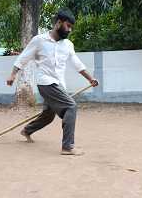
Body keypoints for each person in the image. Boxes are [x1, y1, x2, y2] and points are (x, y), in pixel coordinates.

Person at [7, 9, 99, 155]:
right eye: (68, 26)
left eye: (71, 27)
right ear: (58, 23)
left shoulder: (68, 44)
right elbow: (24, 57)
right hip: (45, 82)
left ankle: (27, 130)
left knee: (48, 116)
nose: (69, 30)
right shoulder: (39, 40)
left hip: (59, 84)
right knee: (70, 107)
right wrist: (13, 74)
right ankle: (67, 147)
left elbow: (77, 63)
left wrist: (90, 78)